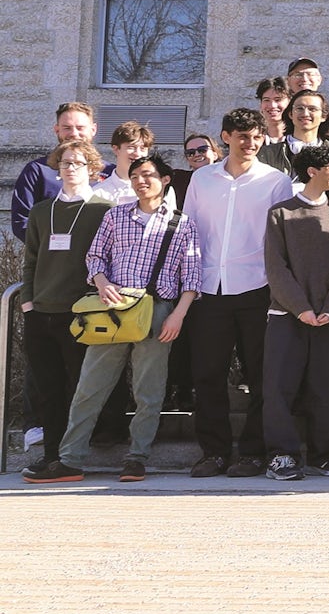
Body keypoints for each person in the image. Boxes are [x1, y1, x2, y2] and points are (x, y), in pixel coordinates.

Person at [19, 154, 198, 484]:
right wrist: (102, 283)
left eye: (148, 175)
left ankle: (137, 457)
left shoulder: (181, 223)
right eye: (135, 176)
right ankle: (70, 459)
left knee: (149, 390)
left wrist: (178, 316)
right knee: (90, 385)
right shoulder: (116, 216)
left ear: (165, 179)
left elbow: (192, 276)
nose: (141, 181)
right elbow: (95, 257)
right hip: (111, 308)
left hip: (157, 309)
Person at [182, 109, 295, 478]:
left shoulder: (275, 181)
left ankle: (252, 452)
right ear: (226, 137)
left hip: (257, 287)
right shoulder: (202, 179)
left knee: (261, 375)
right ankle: (213, 453)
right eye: (242, 136)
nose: (250, 143)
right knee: (208, 375)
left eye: (257, 137)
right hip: (208, 288)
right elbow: (189, 231)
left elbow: (280, 238)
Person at [18, 139, 115, 480]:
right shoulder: (42, 211)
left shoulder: (104, 208)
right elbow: (30, 260)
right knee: (48, 389)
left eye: (77, 162)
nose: (70, 168)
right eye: (64, 163)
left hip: (81, 314)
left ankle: (73, 456)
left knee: (81, 387)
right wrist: (28, 303)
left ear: (92, 168)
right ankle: (50, 456)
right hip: (40, 312)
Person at [260, 143, 329, 481]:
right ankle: (281, 456)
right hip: (287, 317)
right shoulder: (280, 213)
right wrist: (301, 309)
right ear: (313, 171)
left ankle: (323, 454)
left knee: (327, 388)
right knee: (279, 387)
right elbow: (276, 268)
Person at [14, 104, 107, 242]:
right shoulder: (37, 170)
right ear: (57, 130)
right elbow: (22, 221)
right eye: (67, 128)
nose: (74, 133)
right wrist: (48, 250)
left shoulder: (109, 172)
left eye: (80, 128)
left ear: (93, 129)